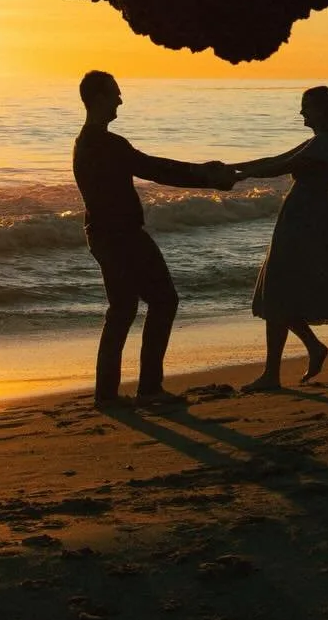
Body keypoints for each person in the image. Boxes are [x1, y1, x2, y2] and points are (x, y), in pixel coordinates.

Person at [73, 69, 235, 409]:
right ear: (99, 97)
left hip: (102, 235)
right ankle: (147, 388)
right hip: (122, 237)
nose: (120, 98)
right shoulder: (106, 143)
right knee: (162, 301)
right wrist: (205, 174)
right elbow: (156, 169)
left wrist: (203, 174)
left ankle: (108, 394)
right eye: (115, 92)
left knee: (123, 309)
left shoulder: (84, 142)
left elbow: (154, 169)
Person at [230, 85, 328, 390]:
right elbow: (276, 158)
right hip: (299, 219)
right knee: (280, 295)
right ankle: (310, 348)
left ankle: (273, 373)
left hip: (306, 222)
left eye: (306, 106)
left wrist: (238, 174)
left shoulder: (325, 144)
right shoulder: (318, 142)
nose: (301, 112)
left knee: (279, 294)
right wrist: (232, 168)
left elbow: (281, 167)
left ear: (321, 109)